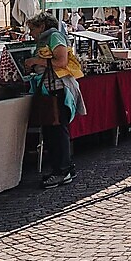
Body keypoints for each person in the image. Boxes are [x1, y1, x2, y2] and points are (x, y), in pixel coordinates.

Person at [27, 12, 84, 187]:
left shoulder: (54, 37)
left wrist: (35, 61)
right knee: (54, 132)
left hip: (57, 89)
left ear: (42, 26)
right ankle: (65, 168)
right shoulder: (48, 38)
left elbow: (61, 62)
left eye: (33, 29)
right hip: (51, 89)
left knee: (57, 132)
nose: (31, 33)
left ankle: (62, 171)